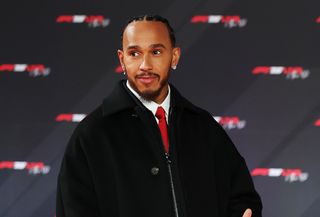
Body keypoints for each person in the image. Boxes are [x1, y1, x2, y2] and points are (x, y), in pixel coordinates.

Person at [56, 15, 262, 217]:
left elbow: (243, 199)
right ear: (122, 59)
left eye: (155, 52)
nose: (145, 65)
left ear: (174, 56)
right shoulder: (91, 135)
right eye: (134, 54)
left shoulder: (203, 127)